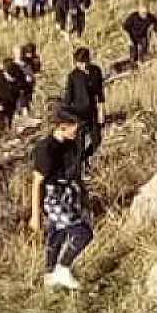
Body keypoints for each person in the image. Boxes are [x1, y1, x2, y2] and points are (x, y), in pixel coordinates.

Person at [31, 109, 92, 291]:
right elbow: (37, 182)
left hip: (69, 193)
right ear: (62, 127)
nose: (78, 131)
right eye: (74, 128)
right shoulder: (45, 149)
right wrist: (35, 214)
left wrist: (82, 193)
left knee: (57, 233)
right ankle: (63, 268)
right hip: (53, 198)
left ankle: (50, 274)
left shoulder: (72, 144)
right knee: (82, 233)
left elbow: (75, 172)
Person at [63, 46, 106, 158]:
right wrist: (68, 119)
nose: (83, 65)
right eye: (80, 63)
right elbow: (68, 98)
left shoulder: (96, 71)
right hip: (78, 113)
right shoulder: (72, 76)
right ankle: (80, 166)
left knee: (97, 140)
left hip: (92, 111)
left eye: (84, 62)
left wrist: (101, 111)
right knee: (79, 144)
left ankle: (86, 158)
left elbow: (100, 92)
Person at [14, 43, 42, 123]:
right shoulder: (14, 64)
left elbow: (35, 71)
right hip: (19, 87)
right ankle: (22, 115)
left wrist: (32, 76)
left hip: (28, 85)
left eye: (21, 52)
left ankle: (26, 114)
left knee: (28, 98)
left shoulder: (28, 62)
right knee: (21, 99)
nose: (19, 54)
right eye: (17, 53)